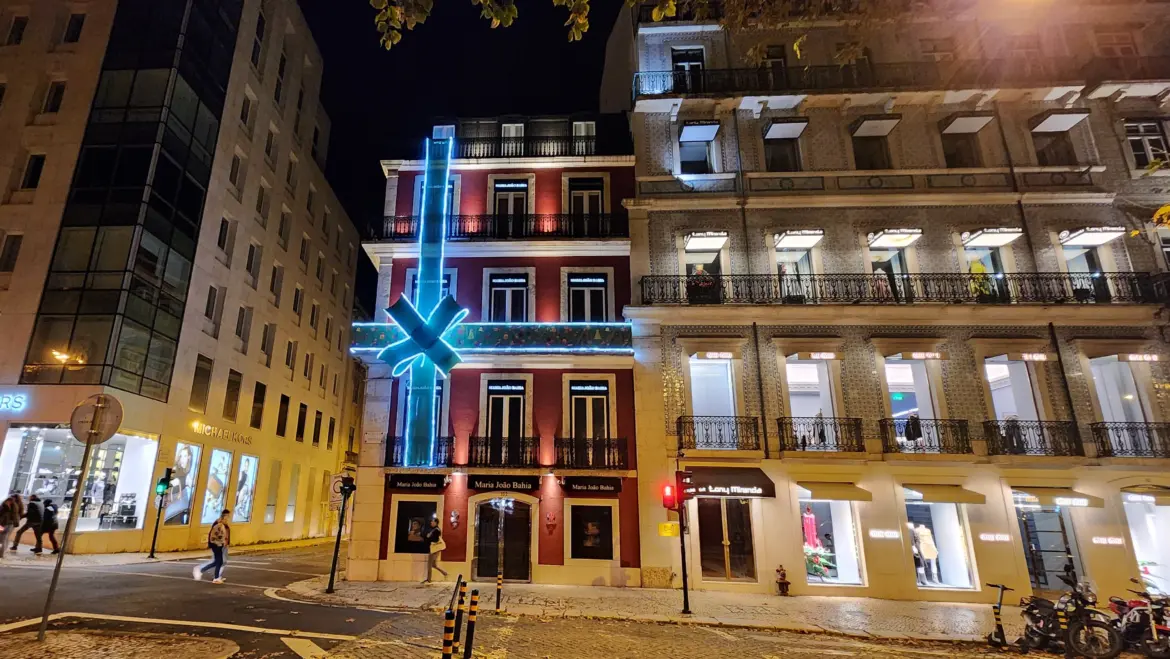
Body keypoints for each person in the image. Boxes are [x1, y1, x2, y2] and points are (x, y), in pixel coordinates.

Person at [192, 509, 231, 584]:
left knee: (218, 561)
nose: (229, 517)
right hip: (216, 545)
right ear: (225, 516)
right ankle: (210, 575)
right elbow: (217, 535)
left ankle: (214, 575)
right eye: (228, 516)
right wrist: (223, 541)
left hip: (219, 544)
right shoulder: (219, 524)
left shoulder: (223, 524)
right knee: (219, 561)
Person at [422, 517, 447, 583]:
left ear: (436, 522)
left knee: (429, 565)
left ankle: (429, 580)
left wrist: (428, 537)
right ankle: (444, 572)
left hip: (434, 549)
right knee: (433, 565)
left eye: (432, 521)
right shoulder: (436, 530)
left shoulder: (436, 530)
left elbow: (435, 540)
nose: (431, 522)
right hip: (436, 549)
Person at [0, 493, 24, 558]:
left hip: (4, 524)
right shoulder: (16, 506)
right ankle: (2, 552)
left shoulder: (5, 507)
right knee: (5, 538)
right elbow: (19, 515)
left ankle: (1, 553)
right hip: (9, 525)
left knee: (4, 538)